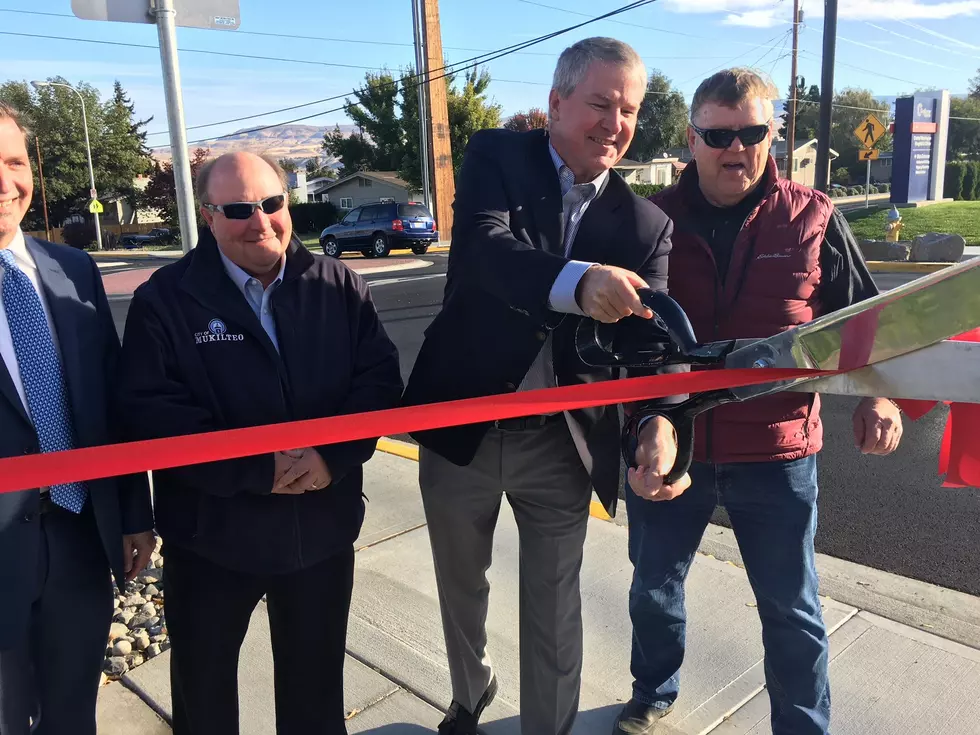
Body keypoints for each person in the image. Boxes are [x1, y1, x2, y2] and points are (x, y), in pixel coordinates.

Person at [402, 37, 688, 735]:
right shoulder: (496, 157)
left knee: (555, 605)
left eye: (628, 110)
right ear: (557, 102)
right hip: (461, 424)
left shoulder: (647, 225)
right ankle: (472, 690)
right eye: (600, 103)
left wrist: (661, 420)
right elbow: (482, 249)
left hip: (560, 445)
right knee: (461, 583)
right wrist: (578, 283)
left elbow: (657, 343)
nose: (615, 123)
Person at [612, 68, 904, 735]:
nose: (735, 147)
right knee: (652, 589)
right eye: (718, 134)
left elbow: (865, 322)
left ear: (772, 134)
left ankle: (803, 726)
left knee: (790, 606)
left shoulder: (813, 215)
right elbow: (630, 340)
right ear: (691, 138)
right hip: (672, 444)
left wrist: (878, 397)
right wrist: (646, 421)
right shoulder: (648, 220)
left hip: (777, 452)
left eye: (752, 132)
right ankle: (652, 691)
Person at [115, 152, 403, 735]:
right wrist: (257, 468)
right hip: (212, 538)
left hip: (319, 532)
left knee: (316, 695)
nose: (262, 221)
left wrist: (332, 457)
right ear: (208, 216)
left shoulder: (340, 286)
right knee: (204, 695)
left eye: (272, 204)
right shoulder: (164, 301)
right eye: (241, 209)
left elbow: (376, 384)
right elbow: (154, 413)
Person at [0, 102, 155, 734]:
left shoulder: (73, 269)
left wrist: (135, 514)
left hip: (78, 538)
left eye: (12, 162)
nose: (4, 182)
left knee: (71, 716)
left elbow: (109, 402)